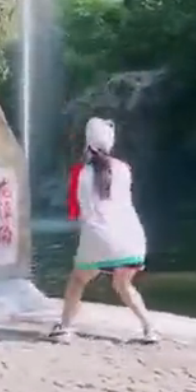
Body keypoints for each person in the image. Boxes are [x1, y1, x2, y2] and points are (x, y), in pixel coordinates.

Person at [48, 117, 158, 344]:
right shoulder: (124, 169)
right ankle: (149, 328)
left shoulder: (81, 173)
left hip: (99, 237)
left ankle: (64, 327)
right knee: (123, 284)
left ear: (87, 143)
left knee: (78, 279)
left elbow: (80, 210)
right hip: (132, 238)